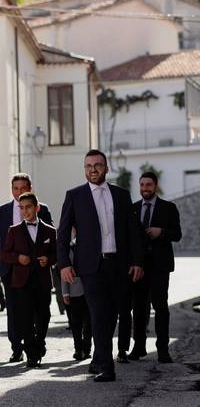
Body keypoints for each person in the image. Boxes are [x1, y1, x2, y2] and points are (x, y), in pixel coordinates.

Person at [57, 150, 144, 383]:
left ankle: (98, 358)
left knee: (112, 314)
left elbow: (133, 232)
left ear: (106, 168)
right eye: (88, 166)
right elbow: (63, 234)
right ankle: (107, 367)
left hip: (119, 265)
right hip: (89, 267)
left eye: (97, 165)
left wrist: (137, 261)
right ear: (84, 169)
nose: (92, 169)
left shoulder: (122, 195)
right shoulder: (75, 196)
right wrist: (64, 264)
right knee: (99, 314)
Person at [0, 173, 53, 363]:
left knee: (40, 310)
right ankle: (17, 347)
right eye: (15, 188)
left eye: (23, 188)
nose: (19, 192)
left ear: (30, 188)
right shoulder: (2, 211)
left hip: (37, 270)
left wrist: (49, 258)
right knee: (15, 310)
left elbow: (51, 238)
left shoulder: (42, 209)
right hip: (9, 268)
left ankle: (37, 342)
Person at [129, 171, 181, 363]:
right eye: (142, 185)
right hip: (139, 266)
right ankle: (139, 347)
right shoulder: (133, 209)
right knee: (138, 308)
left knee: (160, 307)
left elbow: (177, 234)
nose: (145, 189)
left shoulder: (169, 208)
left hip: (160, 266)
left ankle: (162, 350)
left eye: (148, 185)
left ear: (155, 186)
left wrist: (162, 232)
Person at [0, 193, 57, 368]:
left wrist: (49, 260)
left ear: (36, 208)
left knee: (44, 317)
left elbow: (56, 253)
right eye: (22, 208)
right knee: (25, 319)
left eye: (29, 207)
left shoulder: (50, 231)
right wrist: (18, 258)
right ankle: (32, 354)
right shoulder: (14, 230)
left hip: (42, 281)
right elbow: (5, 254)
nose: (25, 211)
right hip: (21, 282)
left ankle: (39, 344)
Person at [62, 229, 92, 361]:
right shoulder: (69, 247)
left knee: (89, 322)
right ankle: (78, 349)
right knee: (76, 323)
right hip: (74, 289)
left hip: (90, 289)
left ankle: (87, 348)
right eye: (74, 229)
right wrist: (65, 291)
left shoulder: (91, 245)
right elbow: (64, 269)